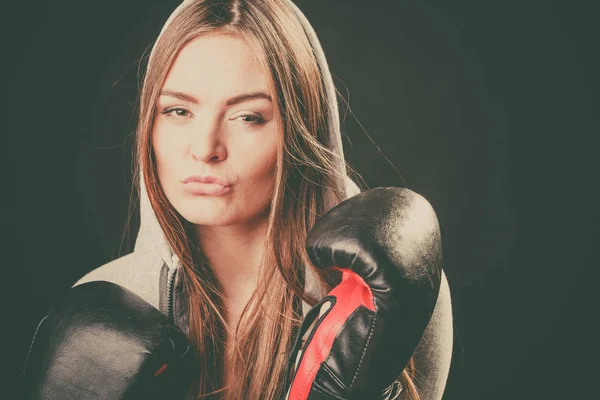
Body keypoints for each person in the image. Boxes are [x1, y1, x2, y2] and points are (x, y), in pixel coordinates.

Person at [22, 1, 453, 399]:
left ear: (300, 131)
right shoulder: (104, 310)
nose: (206, 147)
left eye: (248, 117)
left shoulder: (378, 294)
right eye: (178, 111)